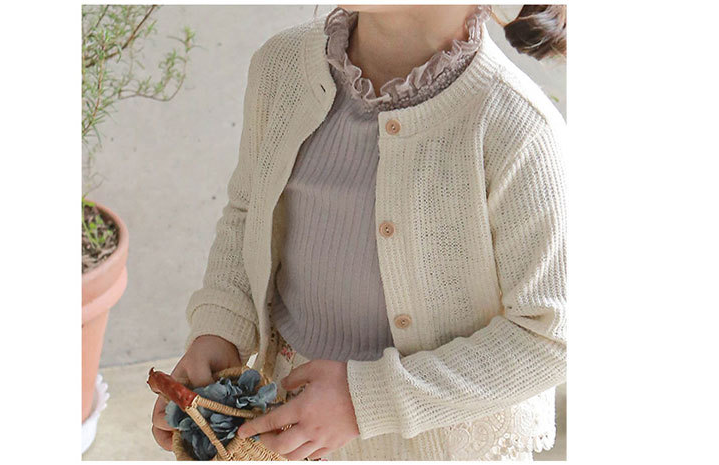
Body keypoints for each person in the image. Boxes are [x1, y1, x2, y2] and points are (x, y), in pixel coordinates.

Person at [152, 4, 567, 461]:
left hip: (437, 443)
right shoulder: (281, 67)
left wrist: (366, 401)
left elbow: (552, 337)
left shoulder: (517, 126)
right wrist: (219, 331)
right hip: (285, 425)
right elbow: (249, 212)